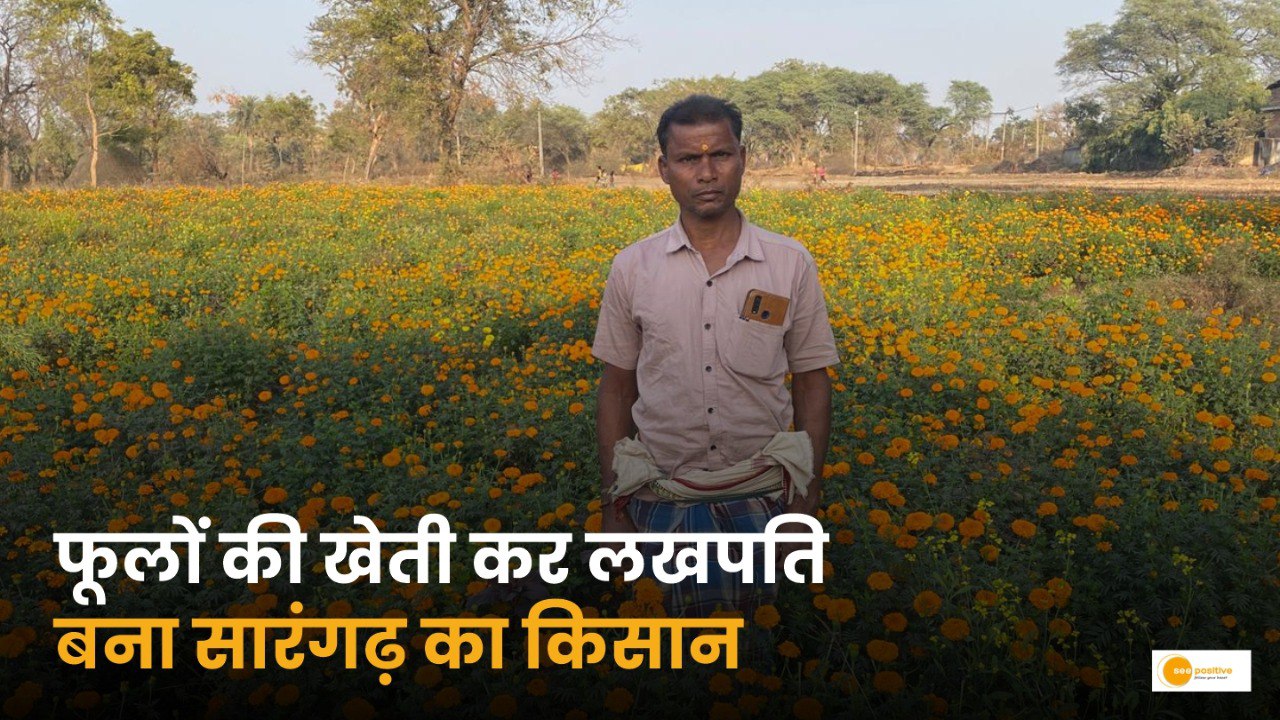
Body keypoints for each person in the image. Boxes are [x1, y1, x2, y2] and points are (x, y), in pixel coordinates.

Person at [592, 95, 839, 618]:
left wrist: (805, 503)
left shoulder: (789, 263)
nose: (706, 173)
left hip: (763, 496)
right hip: (658, 495)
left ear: (743, 158)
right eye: (688, 159)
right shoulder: (632, 267)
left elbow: (811, 380)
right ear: (664, 169)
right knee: (660, 647)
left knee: (754, 648)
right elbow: (616, 386)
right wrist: (613, 505)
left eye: (720, 155)